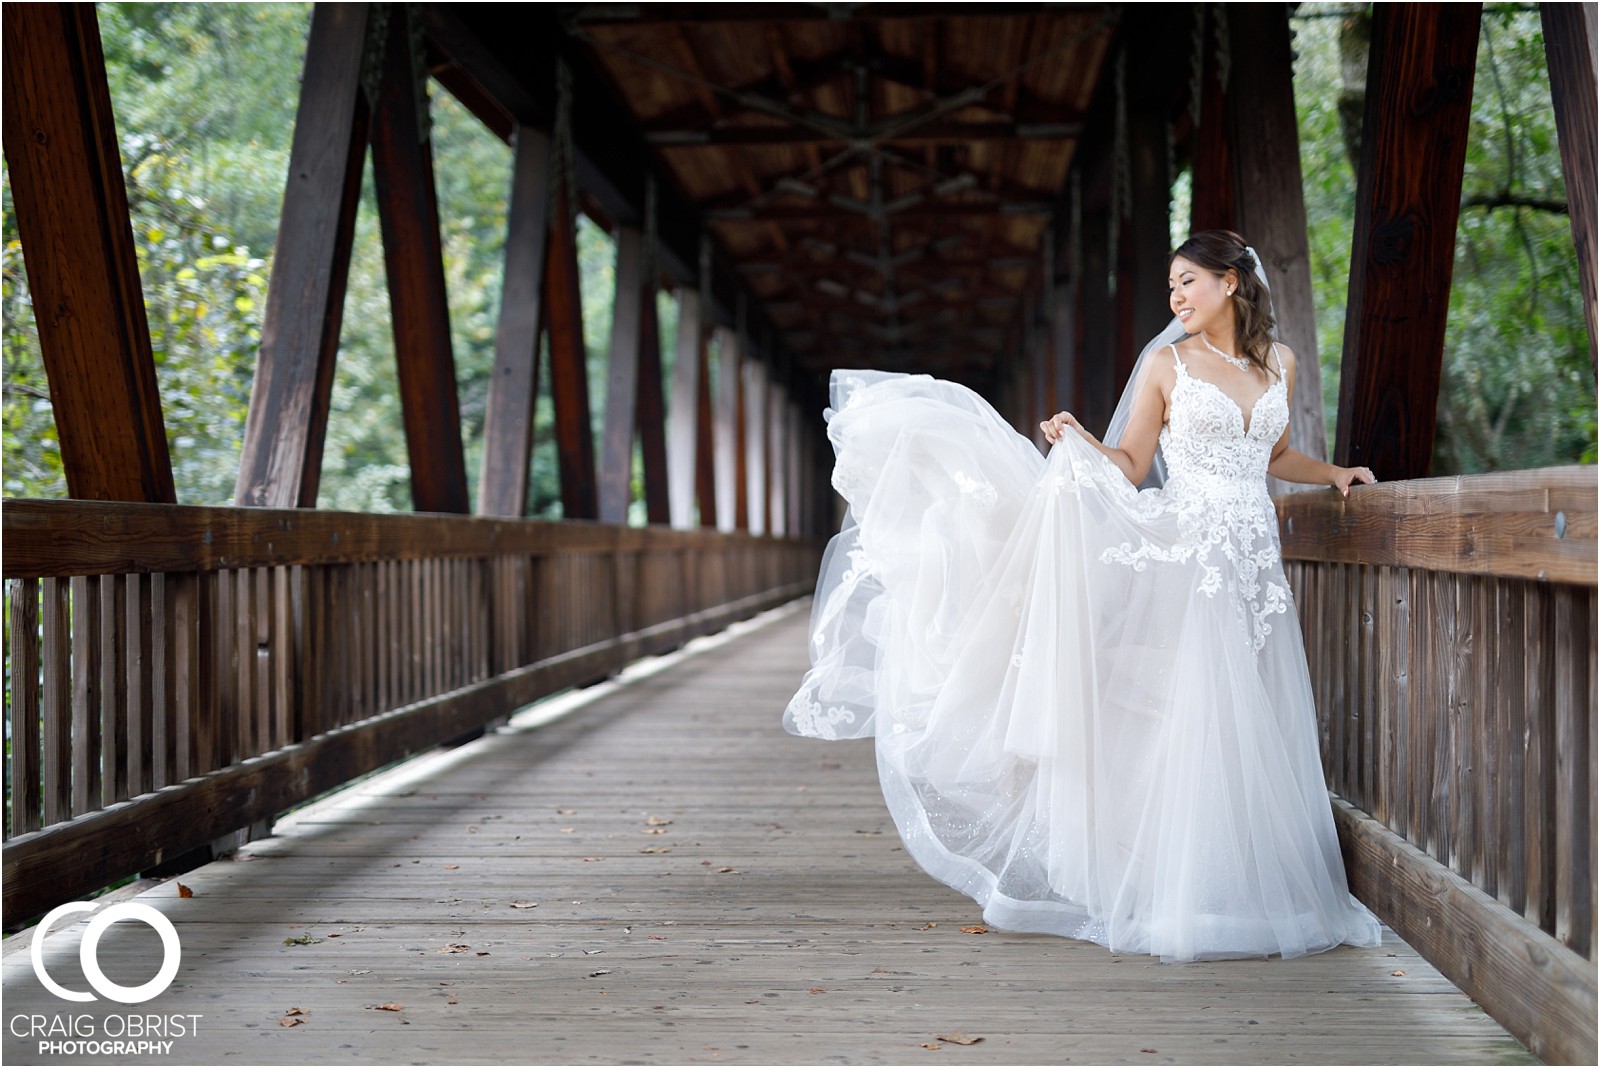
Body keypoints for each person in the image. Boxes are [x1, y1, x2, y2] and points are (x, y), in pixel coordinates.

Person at [784, 230, 1382, 962]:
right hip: (1188, 555)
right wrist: (1077, 442)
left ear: (1231, 283)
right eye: (1170, 287)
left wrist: (1336, 473)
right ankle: (1182, 894)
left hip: (1252, 562)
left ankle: (1243, 882)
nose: (1177, 298)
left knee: (1247, 710)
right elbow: (1131, 464)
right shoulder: (1168, 364)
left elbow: (1276, 453)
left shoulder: (1278, 364)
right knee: (1193, 708)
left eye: (1188, 282)